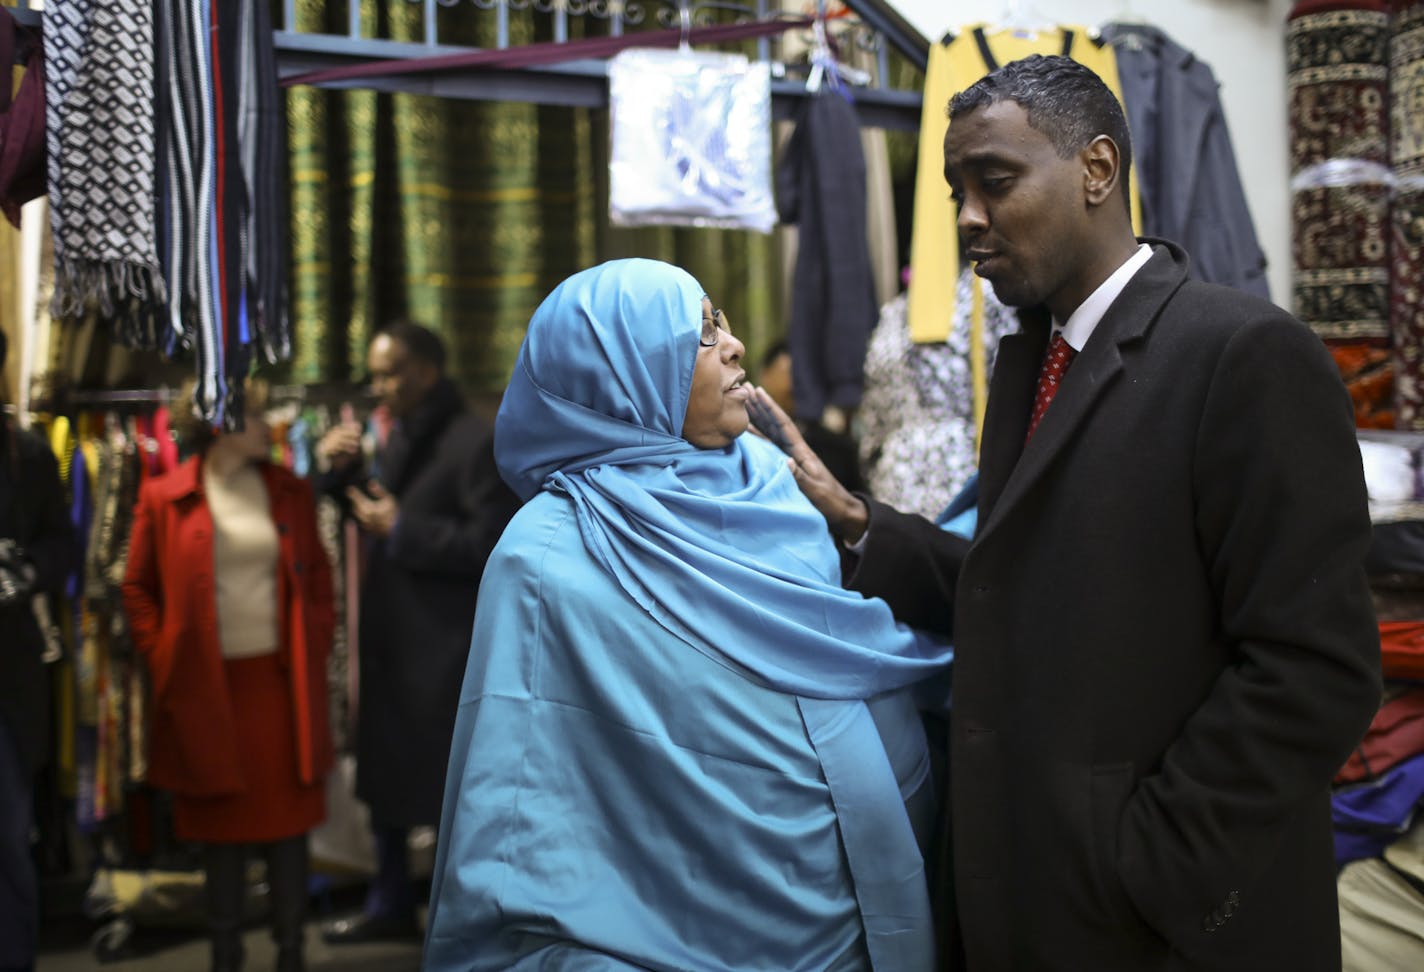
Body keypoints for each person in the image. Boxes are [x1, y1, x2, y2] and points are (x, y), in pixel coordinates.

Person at [750, 54, 1381, 971]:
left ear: (1096, 171)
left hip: (1156, 927)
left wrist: (1148, 864)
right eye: (957, 188)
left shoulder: (1242, 355)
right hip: (1036, 896)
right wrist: (855, 518)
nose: (968, 217)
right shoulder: (1037, 359)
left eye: (995, 182)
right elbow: (1022, 584)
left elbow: (1313, 666)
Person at [423, 259, 954, 971]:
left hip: (843, 915)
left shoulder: (768, 483)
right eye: (701, 334)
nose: (733, 344)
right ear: (621, 374)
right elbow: (525, 792)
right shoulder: (548, 553)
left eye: (722, 321)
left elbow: (829, 651)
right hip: (674, 927)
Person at [315, 321, 519, 943]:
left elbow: (493, 545)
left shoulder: (473, 441)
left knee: (442, 795)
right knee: (390, 785)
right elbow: (378, 508)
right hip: (396, 645)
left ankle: (456, 927)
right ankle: (391, 905)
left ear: (427, 371)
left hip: (443, 652)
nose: (379, 386)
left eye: (389, 372)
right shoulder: (405, 433)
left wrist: (403, 530)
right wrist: (341, 473)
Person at [121, 380, 334, 972]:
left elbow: (317, 575)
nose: (271, 424)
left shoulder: (288, 490)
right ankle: (225, 955)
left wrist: (315, 634)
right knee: (220, 832)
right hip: (208, 691)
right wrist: (163, 653)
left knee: (289, 827)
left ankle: (292, 953)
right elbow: (136, 587)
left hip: (280, 687)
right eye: (260, 414)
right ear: (221, 422)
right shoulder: (166, 496)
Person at [0, 330, 74, 972]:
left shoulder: (23, 454)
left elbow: (62, 544)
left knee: (6, 841)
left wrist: (23, 572)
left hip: (7, 679)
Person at [758, 340, 865, 494]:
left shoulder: (838, 448)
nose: (794, 385)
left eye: (802, 375)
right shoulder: (747, 438)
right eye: (788, 373)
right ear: (766, 376)